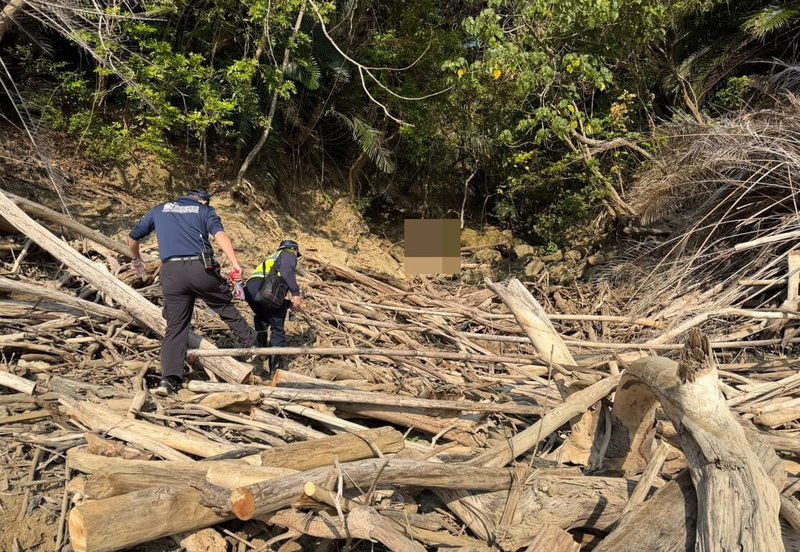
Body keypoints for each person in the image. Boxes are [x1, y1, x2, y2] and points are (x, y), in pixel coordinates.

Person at [128, 189, 256, 396]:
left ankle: (169, 380)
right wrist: (235, 263)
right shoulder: (204, 211)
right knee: (222, 305)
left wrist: (136, 260)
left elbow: (133, 238)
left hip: (171, 272)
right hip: (201, 268)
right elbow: (220, 235)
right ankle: (251, 344)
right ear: (203, 200)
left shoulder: (160, 209)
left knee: (176, 326)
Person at [244, 239, 304, 375]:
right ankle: (276, 369)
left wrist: (288, 303)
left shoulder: (272, 258)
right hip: (265, 292)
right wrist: (296, 293)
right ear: (294, 249)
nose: (296, 257)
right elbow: (286, 271)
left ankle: (259, 357)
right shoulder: (288, 253)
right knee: (277, 326)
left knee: (263, 319)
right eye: (297, 254)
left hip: (251, 291)